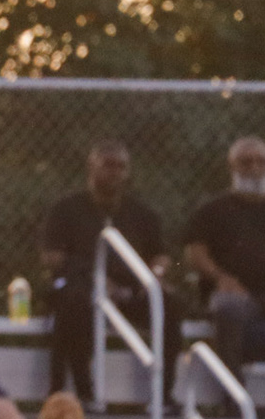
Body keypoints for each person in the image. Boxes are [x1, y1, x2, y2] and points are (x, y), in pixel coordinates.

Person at [40, 141, 181, 400]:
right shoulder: (66, 208)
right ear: (91, 167)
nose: (115, 172)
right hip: (85, 290)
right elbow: (52, 256)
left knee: (169, 303)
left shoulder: (142, 212)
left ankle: (164, 395)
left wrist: (155, 275)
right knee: (73, 302)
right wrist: (96, 279)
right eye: (108, 165)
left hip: (131, 291)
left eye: (121, 166)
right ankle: (84, 392)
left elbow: (161, 255)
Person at [183, 136, 265, 379]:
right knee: (227, 306)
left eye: (261, 161)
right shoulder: (211, 210)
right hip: (237, 296)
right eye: (246, 162)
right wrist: (221, 278)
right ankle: (233, 391)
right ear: (232, 167)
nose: (255, 168)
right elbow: (194, 254)